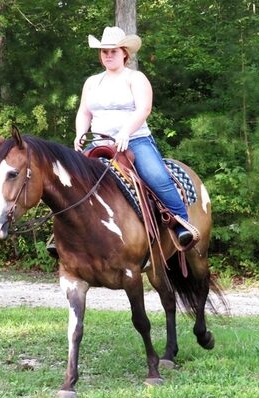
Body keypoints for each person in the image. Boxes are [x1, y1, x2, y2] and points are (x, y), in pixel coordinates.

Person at [74, 26, 196, 247]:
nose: (108, 55)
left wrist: (125, 132)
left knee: (156, 177)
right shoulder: (92, 82)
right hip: (99, 142)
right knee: (72, 180)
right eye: (104, 51)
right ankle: (67, 235)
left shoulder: (135, 78)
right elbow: (84, 111)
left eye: (113, 51)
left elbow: (144, 109)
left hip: (135, 140)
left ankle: (182, 225)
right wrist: (80, 134)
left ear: (124, 53)